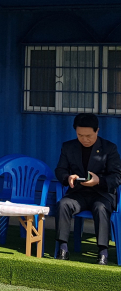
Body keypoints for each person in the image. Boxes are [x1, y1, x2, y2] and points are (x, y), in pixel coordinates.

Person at [55, 113, 121, 265]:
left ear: (97, 130)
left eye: (89, 135)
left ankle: (103, 252)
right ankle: (63, 248)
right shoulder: (68, 147)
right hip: (78, 193)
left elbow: (117, 176)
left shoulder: (109, 148)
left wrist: (99, 181)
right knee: (63, 204)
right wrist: (68, 178)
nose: (84, 139)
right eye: (80, 135)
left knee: (100, 208)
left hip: (102, 194)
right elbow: (60, 170)